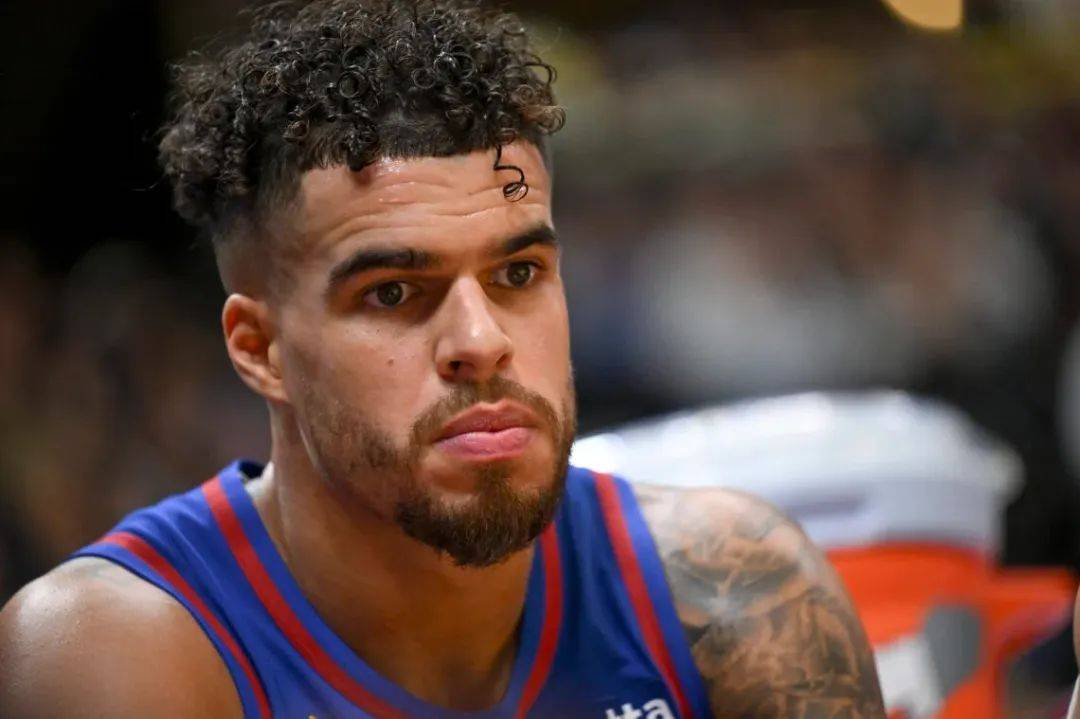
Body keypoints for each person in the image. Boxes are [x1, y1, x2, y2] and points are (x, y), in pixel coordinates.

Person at [0, 1, 886, 717]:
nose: (481, 341)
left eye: (518, 273)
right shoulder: (115, 652)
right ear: (260, 349)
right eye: (393, 291)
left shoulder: (737, 595)